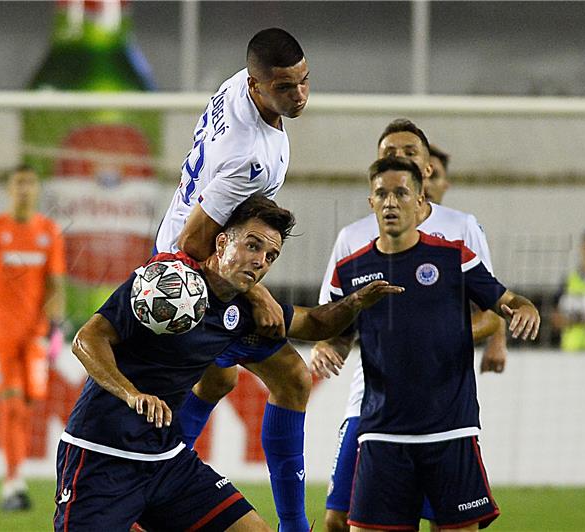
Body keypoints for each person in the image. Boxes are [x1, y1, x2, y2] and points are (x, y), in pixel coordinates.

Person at [57, 195, 401, 531]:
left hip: (167, 462)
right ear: (221, 243)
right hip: (100, 456)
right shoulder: (164, 281)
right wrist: (132, 394)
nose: (261, 261)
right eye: (253, 246)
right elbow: (87, 340)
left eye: (271, 256)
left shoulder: (244, 309)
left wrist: (356, 301)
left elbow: (314, 324)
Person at [310, 120, 507, 532]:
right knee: (338, 517)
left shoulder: (460, 229)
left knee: (445, 521)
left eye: (409, 154)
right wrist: (329, 345)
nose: (399, 159)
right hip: (371, 405)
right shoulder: (354, 239)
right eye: (391, 154)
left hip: (440, 406)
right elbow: (335, 315)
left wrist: (485, 341)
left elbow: (491, 301)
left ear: (427, 169)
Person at [153, 28, 312, 530]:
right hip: (193, 273)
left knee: (217, 376)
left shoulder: (237, 87)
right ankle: (294, 526)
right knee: (292, 379)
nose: (300, 95)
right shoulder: (249, 158)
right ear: (258, 85)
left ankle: (150, 484)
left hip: (175, 248)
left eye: (305, 81)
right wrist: (257, 291)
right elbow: (196, 243)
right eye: (286, 88)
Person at [0, 166, 66, 511]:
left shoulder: (49, 232)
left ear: (37, 189)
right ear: (8, 189)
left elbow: (55, 285)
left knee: (26, 407)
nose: (24, 190)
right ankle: (12, 483)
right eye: (18, 184)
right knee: (10, 403)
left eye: (29, 184)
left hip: (35, 335)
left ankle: (16, 475)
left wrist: (56, 328)